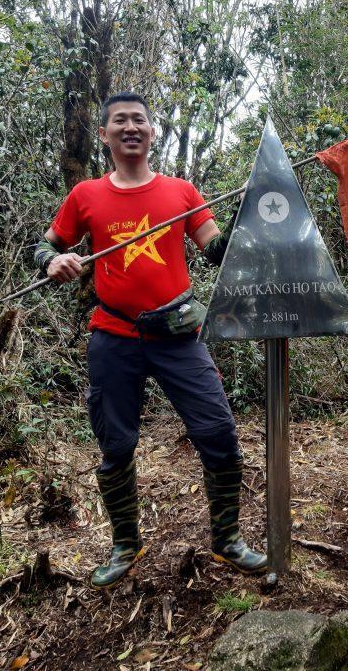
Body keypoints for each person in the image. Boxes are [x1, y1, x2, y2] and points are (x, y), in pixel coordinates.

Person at [34, 92, 266, 588]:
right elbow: (47, 246)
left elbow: (213, 249)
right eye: (120, 121)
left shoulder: (181, 191)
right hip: (113, 337)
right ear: (105, 134)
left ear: (152, 130)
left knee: (219, 434)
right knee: (115, 444)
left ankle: (226, 539)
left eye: (140, 119)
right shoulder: (85, 196)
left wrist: (257, 211)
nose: (131, 127)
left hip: (179, 335)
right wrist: (51, 262)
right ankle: (125, 544)